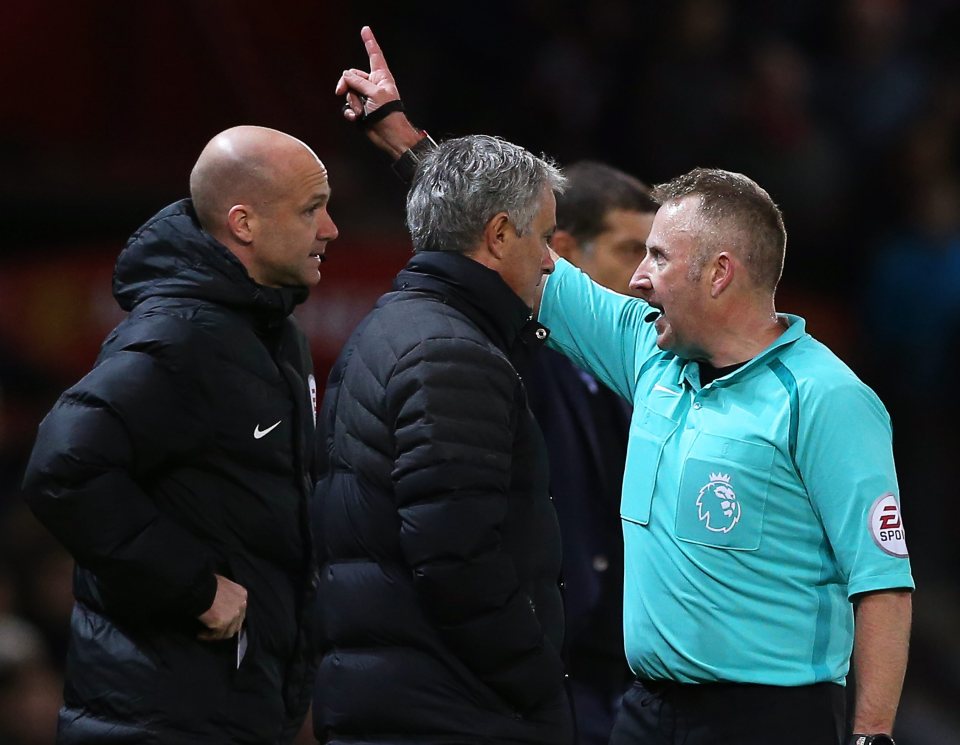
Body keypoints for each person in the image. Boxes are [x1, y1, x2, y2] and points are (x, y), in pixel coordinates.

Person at [336, 27, 914, 745]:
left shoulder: (829, 397)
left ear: (720, 273)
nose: (636, 278)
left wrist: (873, 735)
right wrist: (404, 140)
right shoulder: (651, 351)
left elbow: (882, 582)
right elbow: (507, 244)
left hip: (769, 720)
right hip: (641, 712)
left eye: (658, 258)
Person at [21, 125, 337, 744]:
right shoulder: (178, 337)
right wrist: (189, 584)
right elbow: (61, 467)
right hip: (159, 716)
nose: (330, 230)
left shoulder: (275, 335)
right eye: (312, 210)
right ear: (243, 223)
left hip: (232, 709)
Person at [310, 134, 573, 745]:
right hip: (450, 712)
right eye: (545, 237)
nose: (551, 261)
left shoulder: (397, 326)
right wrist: (535, 678)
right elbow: (456, 554)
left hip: (404, 699)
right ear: (500, 235)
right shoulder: (450, 352)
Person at [521, 162, 657, 745]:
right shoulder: (517, 362)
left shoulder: (634, 371)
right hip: (545, 671)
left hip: (614, 674)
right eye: (631, 251)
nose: (646, 277)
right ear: (565, 252)